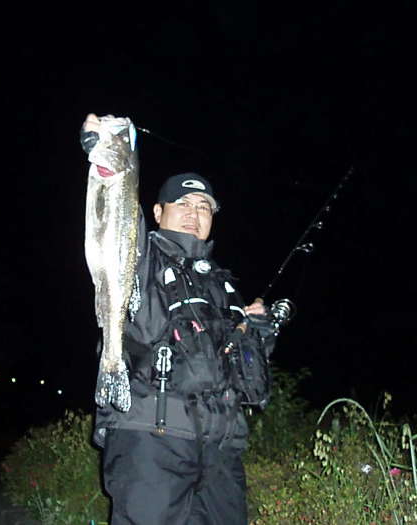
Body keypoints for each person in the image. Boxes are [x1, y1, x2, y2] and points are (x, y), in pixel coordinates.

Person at [80, 113, 278, 525]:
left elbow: (242, 369)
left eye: (204, 206)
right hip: (151, 441)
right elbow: (116, 219)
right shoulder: (142, 258)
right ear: (158, 211)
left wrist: (257, 333)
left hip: (221, 450)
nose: (194, 212)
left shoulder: (223, 285)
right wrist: (110, 158)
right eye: (182, 203)